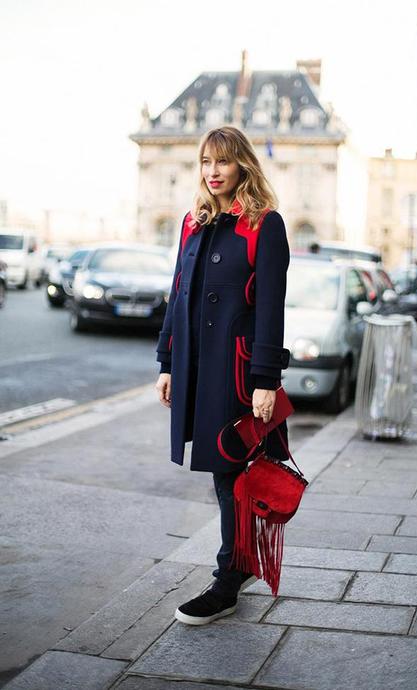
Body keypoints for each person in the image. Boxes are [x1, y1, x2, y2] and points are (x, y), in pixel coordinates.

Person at [155, 125, 291, 625]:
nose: (213, 172)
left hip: (234, 372)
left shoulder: (263, 224)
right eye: (206, 162)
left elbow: (271, 309)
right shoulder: (194, 222)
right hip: (195, 365)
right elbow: (178, 293)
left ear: (243, 166)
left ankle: (227, 580)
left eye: (223, 162)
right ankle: (238, 566)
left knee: (231, 470)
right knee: (221, 470)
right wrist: (167, 362)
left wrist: (265, 379)